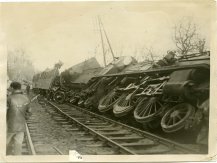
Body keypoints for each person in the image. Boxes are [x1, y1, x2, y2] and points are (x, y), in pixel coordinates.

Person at [7, 82, 31, 155]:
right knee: (18, 146)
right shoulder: (26, 98)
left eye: (10, 87)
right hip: (21, 126)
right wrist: (24, 117)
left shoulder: (9, 98)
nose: (9, 88)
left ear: (12, 88)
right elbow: (29, 112)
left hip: (9, 126)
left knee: (5, 143)